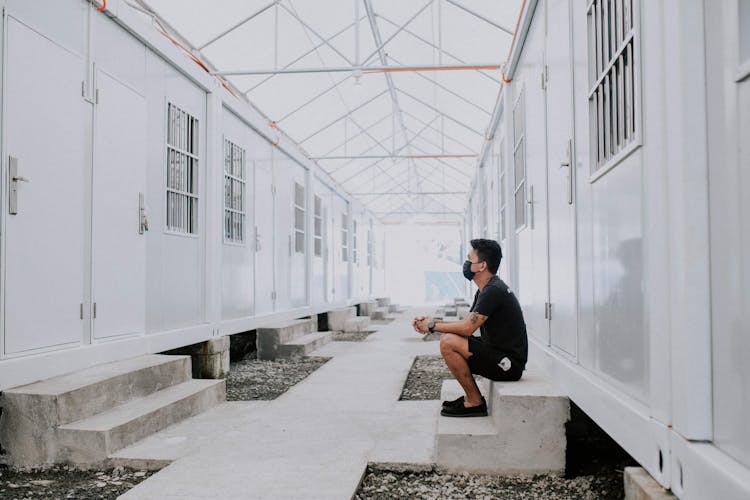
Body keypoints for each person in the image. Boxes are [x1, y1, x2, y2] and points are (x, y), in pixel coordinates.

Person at [413, 238, 528, 417]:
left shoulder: (493, 291)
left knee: (448, 342)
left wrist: (432, 326)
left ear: (481, 266)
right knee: (451, 338)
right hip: (498, 354)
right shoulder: (486, 289)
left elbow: (467, 329)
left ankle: (474, 402)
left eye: (469, 259)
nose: (466, 263)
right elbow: (467, 323)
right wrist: (432, 321)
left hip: (509, 365)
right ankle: (471, 398)